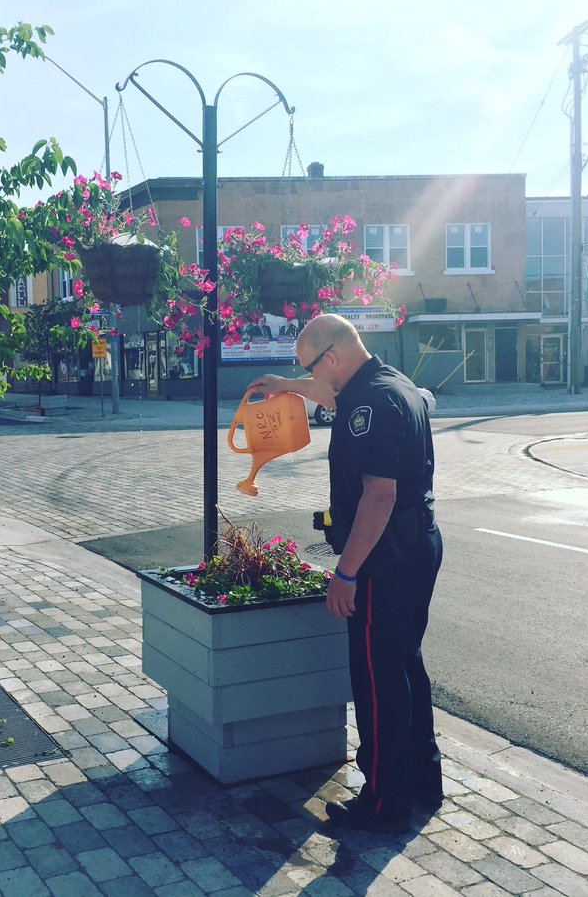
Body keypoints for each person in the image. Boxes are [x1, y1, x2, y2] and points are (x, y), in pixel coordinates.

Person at [246, 313, 443, 833]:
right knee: (406, 667)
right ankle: (424, 781)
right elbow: (333, 396)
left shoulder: (370, 405)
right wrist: (288, 384)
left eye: (309, 367)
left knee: (378, 682)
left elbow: (380, 495)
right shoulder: (390, 383)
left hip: (386, 557)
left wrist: (346, 574)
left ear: (331, 357)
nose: (310, 378)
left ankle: (383, 806)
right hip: (419, 545)